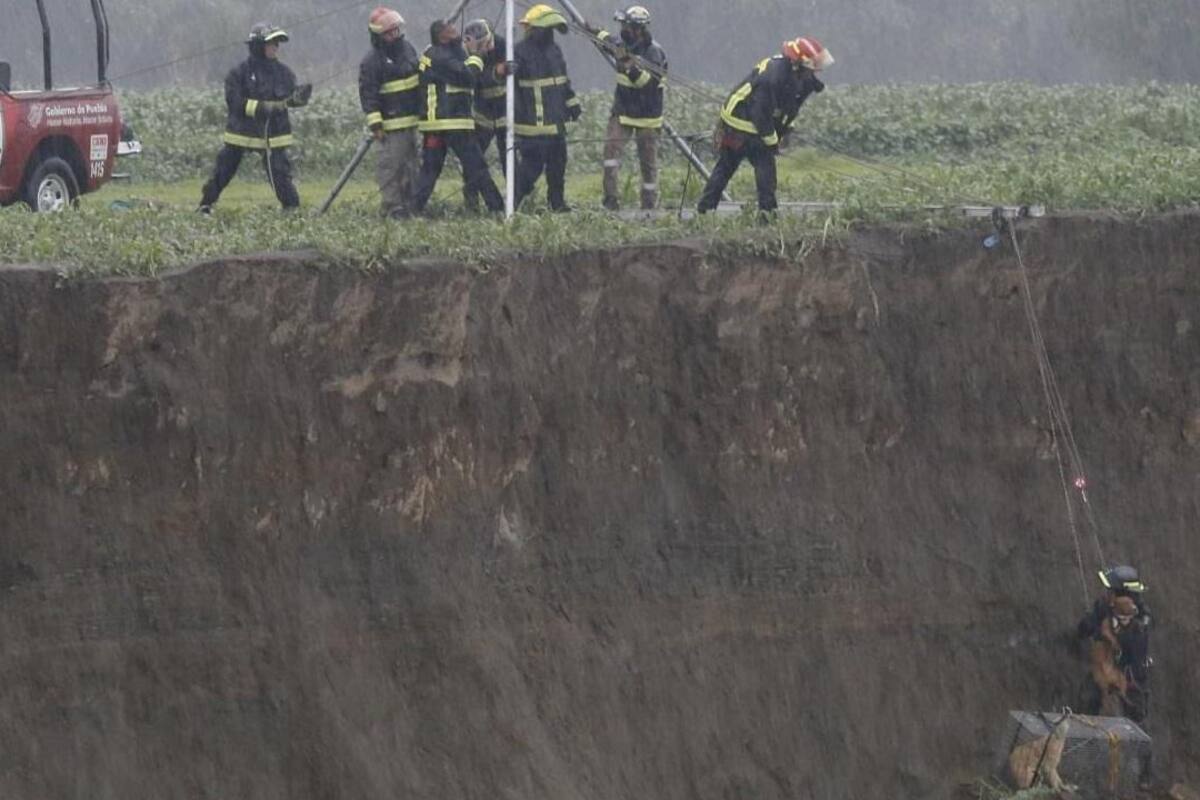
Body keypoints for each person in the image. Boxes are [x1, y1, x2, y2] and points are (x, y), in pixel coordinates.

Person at [696, 36, 832, 217]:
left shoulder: (794, 76)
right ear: (799, 64)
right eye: (812, 67)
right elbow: (760, 115)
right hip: (739, 122)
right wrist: (772, 142)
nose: (814, 72)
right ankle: (761, 214)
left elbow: (789, 108)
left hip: (755, 119)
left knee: (734, 167)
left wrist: (786, 130)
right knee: (747, 165)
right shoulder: (774, 78)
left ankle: (709, 210)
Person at [199, 23, 312, 212]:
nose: (275, 47)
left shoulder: (284, 73)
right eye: (271, 43)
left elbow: (289, 98)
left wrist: (299, 98)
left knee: (280, 174)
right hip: (241, 133)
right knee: (223, 171)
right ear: (258, 46)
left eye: (277, 44)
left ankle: (292, 209)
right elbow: (234, 102)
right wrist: (262, 107)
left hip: (274, 136)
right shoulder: (239, 73)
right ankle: (206, 204)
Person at [410, 19, 506, 215]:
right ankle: (497, 209)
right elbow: (468, 76)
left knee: (430, 171)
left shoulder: (442, 53)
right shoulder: (440, 57)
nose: (456, 30)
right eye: (450, 28)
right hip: (453, 123)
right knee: (477, 168)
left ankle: (413, 210)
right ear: (441, 35)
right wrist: (478, 54)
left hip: (436, 124)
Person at [589, 5, 667, 210]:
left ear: (638, 28)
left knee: (648, 165)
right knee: (610, 156)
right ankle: (611, 201)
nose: (623, 29)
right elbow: (609, 41)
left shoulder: (654, 53)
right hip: (622, 113)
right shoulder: (623, 45)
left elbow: (648, 85)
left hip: (648, 118)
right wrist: (594, 31)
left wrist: (629, 66)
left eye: (626, 25)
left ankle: (649, 206)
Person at [512, 4, 581, 212]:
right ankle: (512, 203)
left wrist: (572, 103)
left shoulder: (554, 50)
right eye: (547, 29)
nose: (550, 34)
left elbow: (562, 81)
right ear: (534, 29)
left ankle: (557, 204)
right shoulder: (519, 52)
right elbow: (511, 87)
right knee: (531, 169)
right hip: (533, 125)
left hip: (556, 124)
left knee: (557, 167)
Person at [358, 6, 421, 219]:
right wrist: (376, 125)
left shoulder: (408, 49)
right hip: (390, 126)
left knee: (412, 167)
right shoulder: (371, 61)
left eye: (396, 29)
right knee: (390, 168)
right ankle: (393, 207)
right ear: (378, 35)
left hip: (412, 122)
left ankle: (412, 205)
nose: (394, 34)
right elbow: (369, 96)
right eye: (389, 31)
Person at [1077, 565, 1152, 722]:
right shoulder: (1104, 608)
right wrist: (1091, 624)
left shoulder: (1141, 622)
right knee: (1087, 709)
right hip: (1101, 678)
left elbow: (1133, 652)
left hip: (1131, 684)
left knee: (1133, 726)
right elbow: (1083, 629)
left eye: (1112, 592)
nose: (1109, 595)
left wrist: (1114, 633)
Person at [461, 19, 509, 212]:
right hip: (482, 112)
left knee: (509, 157)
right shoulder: (468, 53)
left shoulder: (504, 45)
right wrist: (495, 73)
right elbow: (473, 79)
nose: (485, 49)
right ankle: (471, 203)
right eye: (479, 46)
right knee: (473, 160)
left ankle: (515, 201)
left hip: (505, 110)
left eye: (486, 44)